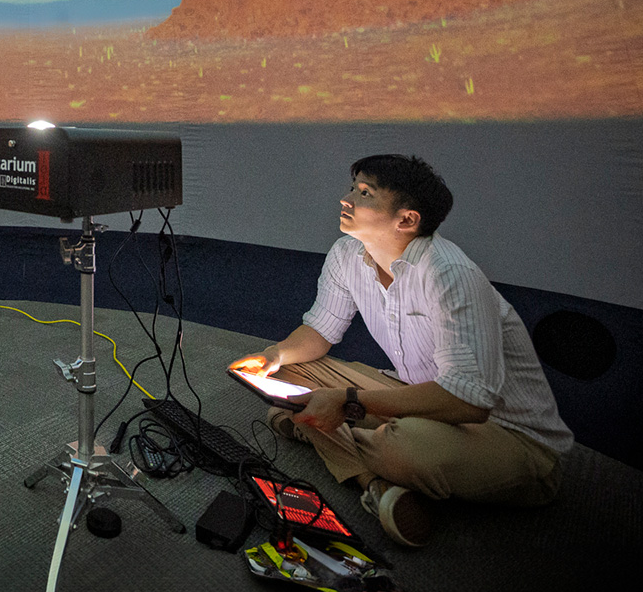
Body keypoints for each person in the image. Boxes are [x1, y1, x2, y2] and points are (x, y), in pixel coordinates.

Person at [233, 154, 571, 547]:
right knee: (288, 378)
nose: (346, 199)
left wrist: (347, 401)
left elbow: (470, 404)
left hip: (509, 435)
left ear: (406, 220)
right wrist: (274, 355)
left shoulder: (448, 274)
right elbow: (319, 332)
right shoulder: (347, 255)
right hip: (418, 395)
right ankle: (375, 485)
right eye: (352, 188)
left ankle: (347, 447)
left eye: (364, 194)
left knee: (401, 446)